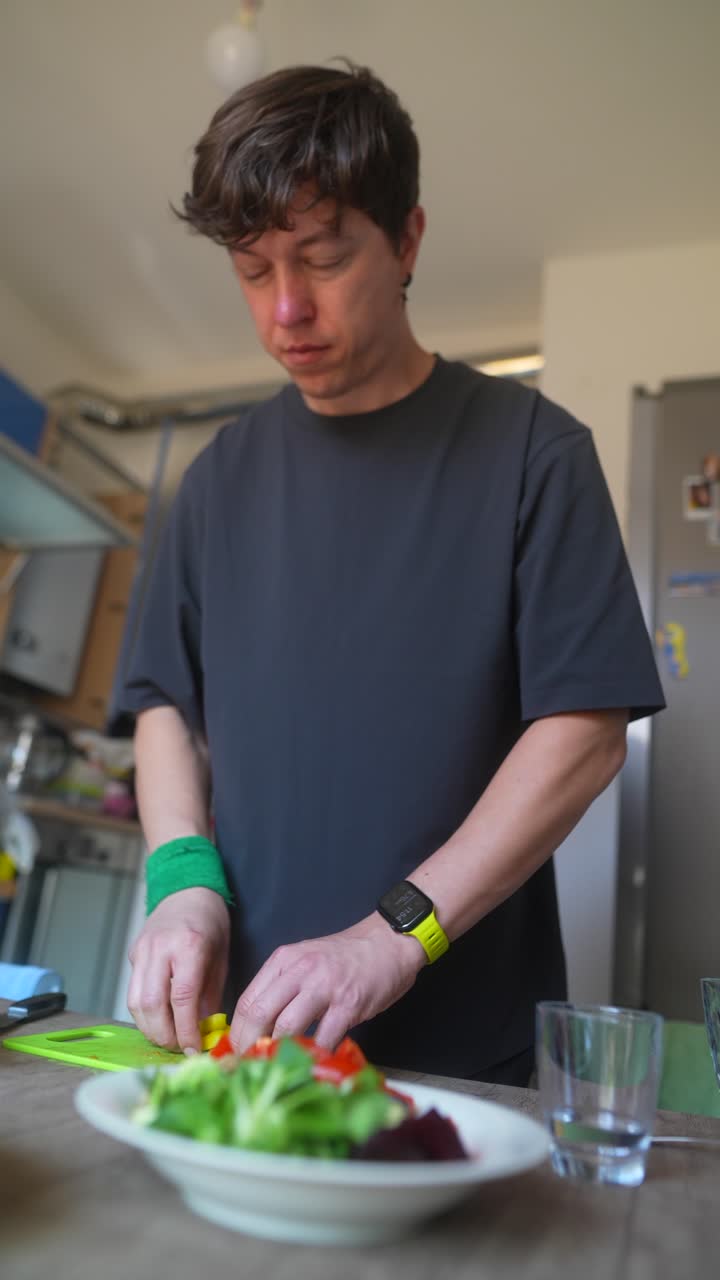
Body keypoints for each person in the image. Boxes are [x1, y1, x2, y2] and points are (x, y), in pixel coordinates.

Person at [119, 63, 665, 1085]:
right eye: (252, 268)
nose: (286, 307)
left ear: (407, 240)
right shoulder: (216, 480)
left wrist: (395, 933)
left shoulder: (533, 452)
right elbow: (162, 703)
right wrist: (182, 884)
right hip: (243, 1039)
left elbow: (584, 729)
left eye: (323, 259)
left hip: (459, 1044)